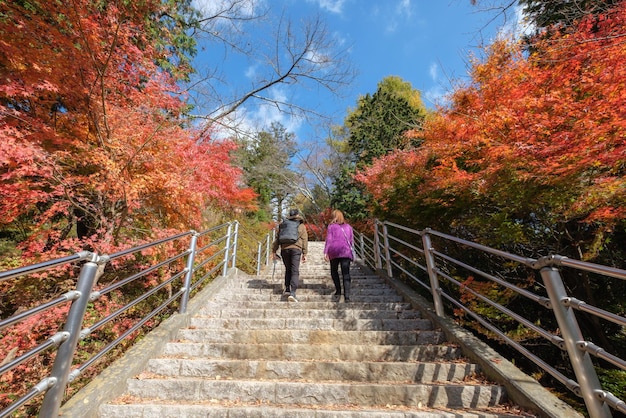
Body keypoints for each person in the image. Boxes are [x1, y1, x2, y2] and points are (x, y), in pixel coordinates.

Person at [272, 209, 308, 303]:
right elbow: (304, 239)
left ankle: (287, 289)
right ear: (297, 215)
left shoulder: (283, 225)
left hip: (284, 249)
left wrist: (273, 251)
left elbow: (277, 238)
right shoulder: (301, 225)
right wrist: (305, 253)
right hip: (296, 249)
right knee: (294, 270)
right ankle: (293, 293)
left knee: (288, 269)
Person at [323, 209, 354, 302]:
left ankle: (338, 290)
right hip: (345, 251)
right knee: (346, 273)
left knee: (334, 271)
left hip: (334, 251)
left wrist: (325, 252)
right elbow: (351, 240)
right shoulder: (349, 227)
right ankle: (347, 296)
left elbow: (329, 239)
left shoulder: (331, 226)